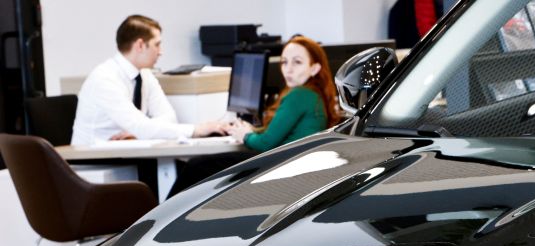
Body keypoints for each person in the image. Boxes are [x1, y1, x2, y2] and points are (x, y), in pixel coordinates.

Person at [167, 35, 340, 196]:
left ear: (314, 68)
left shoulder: (299, 95)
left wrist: (245, 136)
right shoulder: (315, 94)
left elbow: (266, 144)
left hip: (280, 166)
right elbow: (280, 134)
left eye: (297, 63)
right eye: (284, 62)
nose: (288, 69)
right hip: (289, 164)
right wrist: (252, 131)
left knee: (196, 166)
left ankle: (160, 219)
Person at [71, 15, 227, 146]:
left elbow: (169, 117)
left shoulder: (145, 75)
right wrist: (197, 129)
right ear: (140, 45)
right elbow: (140, 126)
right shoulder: (105, 78)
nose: (161, 52)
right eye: (157, 45)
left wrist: (139, 132)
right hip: (93, 157)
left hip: (127, 151)